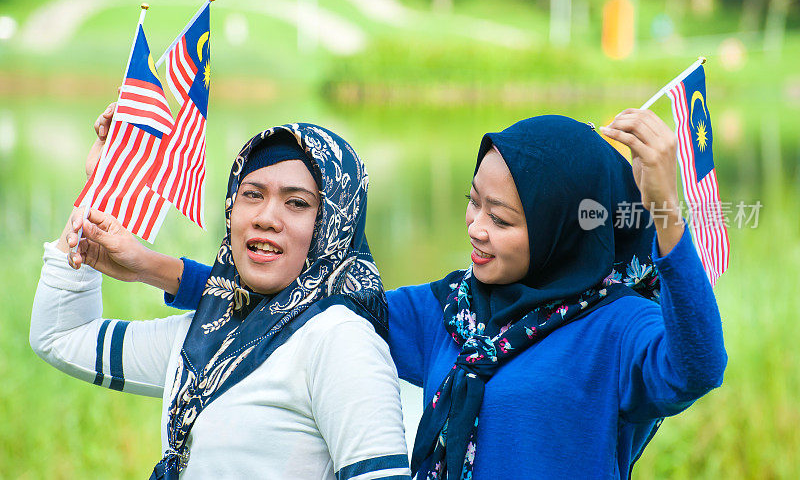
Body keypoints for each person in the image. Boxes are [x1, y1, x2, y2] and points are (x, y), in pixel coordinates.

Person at [69, 109, 727, 479]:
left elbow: (698, 366)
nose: (474, 228)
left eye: (502, 219)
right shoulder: (455, 311)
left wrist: (665, 213)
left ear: (560, 228)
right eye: (473, 204)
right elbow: (309, 303)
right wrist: (154, 267)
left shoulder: (618, 329)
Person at [31, 121, 411, 479]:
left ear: (334, 221)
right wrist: (102, 185)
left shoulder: (341, 340)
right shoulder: (210, 331)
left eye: (296, 203)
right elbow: (60, 336)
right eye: (252, 194)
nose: (266, 217)